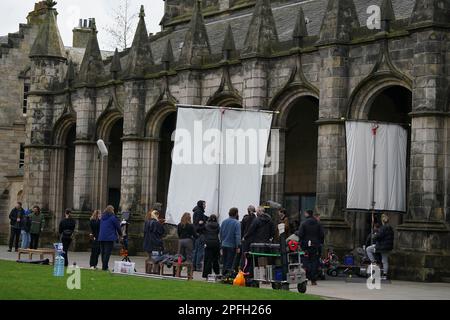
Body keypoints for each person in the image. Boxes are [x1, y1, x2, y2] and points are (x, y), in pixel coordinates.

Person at [296, 209, 324, 285]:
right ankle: (313, 279)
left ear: (306, 214)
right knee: (314, 261)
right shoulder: (318, 223)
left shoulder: (304, 223)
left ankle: (306, 277)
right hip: (315, 244)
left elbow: (300, 234)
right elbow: (322, 234)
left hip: (306, 245)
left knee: (306, 261)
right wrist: (320, 242)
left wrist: (300, 243)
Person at [366, 214, 394, 280]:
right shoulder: (391, 228)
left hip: (381, 246)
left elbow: (379, 236)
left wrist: (374, 236)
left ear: (382, 221)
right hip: (387, 247)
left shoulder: (383, 228)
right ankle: (385, 275)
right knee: (385, 260)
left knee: (368, 249)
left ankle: (374, 262)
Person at [98, 205, 122, 271]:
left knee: (103, 252)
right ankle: (104, 267)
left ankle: (104, 266)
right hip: (109, 237)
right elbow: (118, 227)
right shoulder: (113, 217)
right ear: (112, 210)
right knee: (107, 253)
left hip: (101, 237)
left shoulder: (102, 217)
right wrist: (120, 235)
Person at [220, 207, 241, 276]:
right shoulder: (237, 223)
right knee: (230, 261)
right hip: (232, 245)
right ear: (236, 214)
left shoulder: (224, 222)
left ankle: (223, 274)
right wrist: (238, 246)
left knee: (224, 261)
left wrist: (221, 243)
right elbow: (237, 235)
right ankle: (227, 275)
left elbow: (221, 233)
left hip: (224, 244)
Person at [202, 214, 221, 279]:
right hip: (216, 242)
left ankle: (206, 274)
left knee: (207, 259)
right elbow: (218, 232)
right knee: (215, 259)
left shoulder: (206, 225)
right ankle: (217, 273)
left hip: (208, 243)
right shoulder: (218, 225)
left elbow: (203, 232)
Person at [192, 200, 208, 271]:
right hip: (200, 233)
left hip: (196, 234)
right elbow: (198, 224)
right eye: (204, 204)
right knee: (200, 251)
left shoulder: (198, 211)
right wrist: (204, 225)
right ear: (201, 205)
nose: (205, 206)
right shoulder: (199, 212)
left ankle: (194, 266)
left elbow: (204, 218)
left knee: (196, 250)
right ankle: (198, 266)